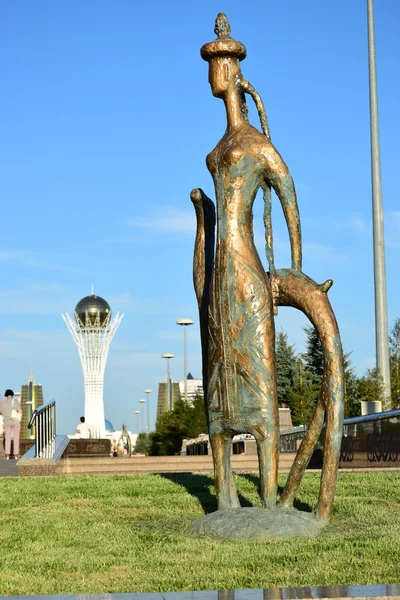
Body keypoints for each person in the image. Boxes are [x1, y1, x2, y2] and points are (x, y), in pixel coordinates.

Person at [0, 389, 22, 460]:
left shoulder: (3, 403)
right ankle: (16, 455)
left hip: (7, 422)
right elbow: (20, 411)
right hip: (15, 421)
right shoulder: (15, 401)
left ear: (6, 395)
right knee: (16, 438)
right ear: (12, 395)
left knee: (7, 438)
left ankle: (7, 455)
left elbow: (2, 414)